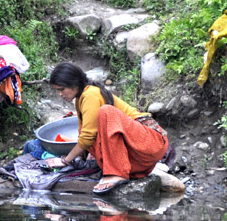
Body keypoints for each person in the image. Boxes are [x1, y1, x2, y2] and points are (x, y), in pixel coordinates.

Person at [44, 62, 168, 194]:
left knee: (106, 111)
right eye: (58, 90)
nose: (60, 94)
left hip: (151, 142)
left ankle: (117, 173)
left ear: (75, 84)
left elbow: (87, 139)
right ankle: (117, 169)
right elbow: (86, 135)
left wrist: (65, 160)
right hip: (135, 156)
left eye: (62, 89)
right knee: (84, 129)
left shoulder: (91, 94)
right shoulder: (81, 98)